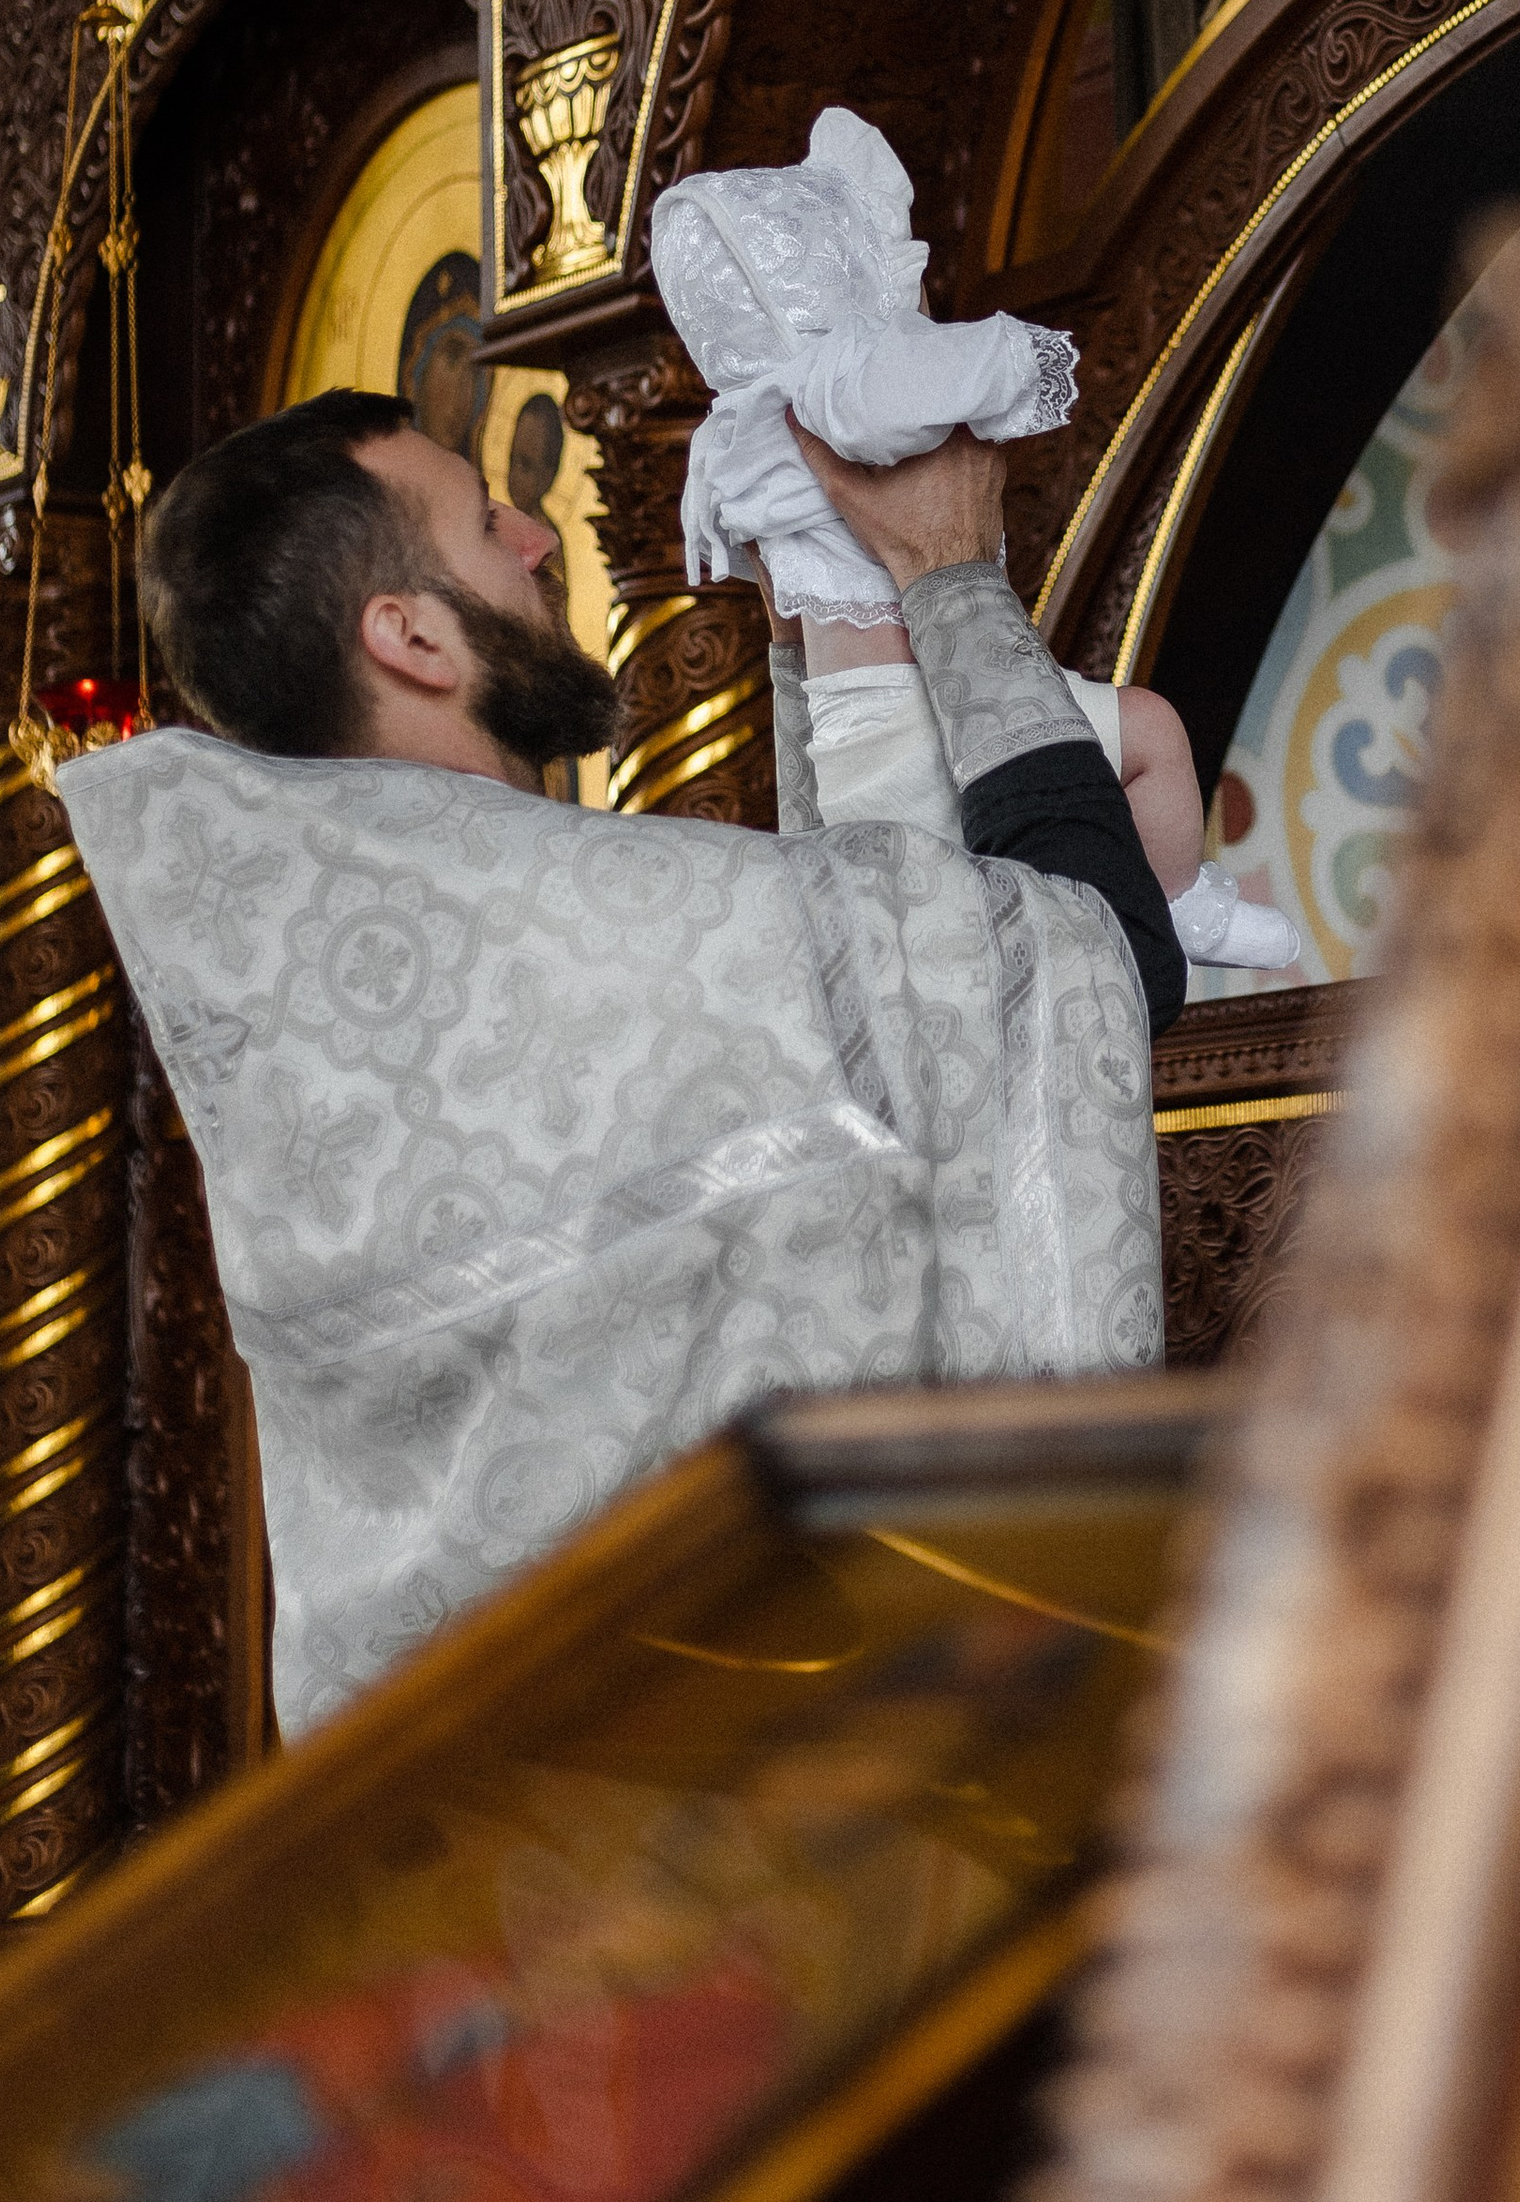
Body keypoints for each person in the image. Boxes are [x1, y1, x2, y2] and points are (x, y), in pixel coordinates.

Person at [66, 392, 1185, 1733]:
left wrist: (824, 640)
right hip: (753, 1828)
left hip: (458, 1811)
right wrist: (947, 577)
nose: (536, 536)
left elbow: (870, 990)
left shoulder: (316, 995)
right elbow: (1089, 960)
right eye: (486, 521)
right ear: (409, 635)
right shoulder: (607, 934)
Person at [652, 108, 1295, 980]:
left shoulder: (735, 428)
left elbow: (730, 539)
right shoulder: (837, 383)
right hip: (919, 717)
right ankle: (1177, 901)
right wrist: (1015, 361)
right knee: (1153, 729)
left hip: (850, 734)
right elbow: (921, 387)